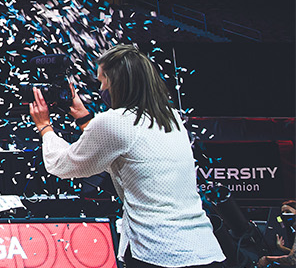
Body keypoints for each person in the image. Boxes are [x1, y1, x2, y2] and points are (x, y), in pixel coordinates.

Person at [29, 45, 224, 268]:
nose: (101, 87)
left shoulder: (114, 121)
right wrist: (84, 118)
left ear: (116, 84)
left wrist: (45, 127)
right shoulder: (172, 118)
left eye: (102, 81)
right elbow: (125, 147)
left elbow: (62, 165)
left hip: (159, 255)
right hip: (205, 250)